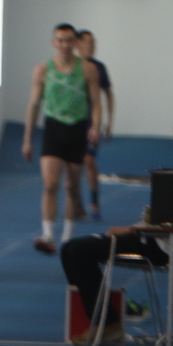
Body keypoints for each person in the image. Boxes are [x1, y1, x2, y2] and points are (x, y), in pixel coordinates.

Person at [59, 109, 173, 345]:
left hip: (160, 246)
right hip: (150, 237)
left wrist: (130, 230)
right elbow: (162, 216)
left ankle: (109, 323)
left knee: (79, 251)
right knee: (69, 249)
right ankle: (104, 318)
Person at [22, 23, 102, 254]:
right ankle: (48, 235)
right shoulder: (42, 70)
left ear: (75, 43)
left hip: (77, 129)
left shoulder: (88, 70)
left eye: (69, 40)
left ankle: (67, 236)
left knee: (72, 186)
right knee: (50, 184)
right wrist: (27, 139)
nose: (65, 45)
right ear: (53, 43)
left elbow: (96, 103)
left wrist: (95, 126)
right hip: (53, 129)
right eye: (60, 40)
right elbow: (34, 104)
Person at [76, 30, 114, 220]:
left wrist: (109, 122)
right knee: (74, 165)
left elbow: (108, 94)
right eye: (88, 42)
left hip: (93, 122)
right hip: (74, 123)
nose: (91, 46)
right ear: (78, 44)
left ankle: (94, 200)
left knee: (89, 161)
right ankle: (77, 205)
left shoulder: (99, 67)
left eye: (94, 42)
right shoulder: (72, 67)